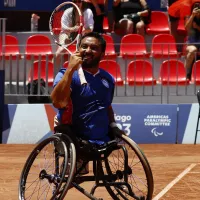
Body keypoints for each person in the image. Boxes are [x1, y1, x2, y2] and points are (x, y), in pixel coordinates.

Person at [51, 32, 125, 145]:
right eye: (84, 46)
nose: (88, 50)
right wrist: (70, 68)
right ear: (78, 49)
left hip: (102, 137)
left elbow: (107, 106)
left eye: (94, 48)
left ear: (102, 54)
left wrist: (114, 125)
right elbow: (58, 103)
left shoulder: (108, 78)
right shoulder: (64, 75)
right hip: (74, 136)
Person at [53, 0, 94, 70]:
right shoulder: (68, 11)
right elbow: (64, 27)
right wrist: (73, 29)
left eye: (79, 1)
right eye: (75, 1)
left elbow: (90, 28)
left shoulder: (88, 12)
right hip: (66, 34)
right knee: (58, 54)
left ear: (82, 2)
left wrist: (82, 30)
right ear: (73, 2)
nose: (77, 3)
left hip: (82, 36)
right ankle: (56, 74)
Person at [185, 2, 200, 80]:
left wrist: (197, 27)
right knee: (193, 50)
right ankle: (185, 73)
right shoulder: (189, 17)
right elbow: (187, 28)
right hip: (191, 43)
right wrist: (192, 15)